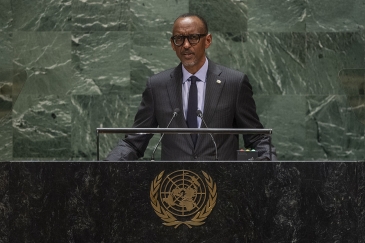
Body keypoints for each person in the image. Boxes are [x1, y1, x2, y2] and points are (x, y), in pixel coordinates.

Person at [105, 13, 277, 161]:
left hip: (223, 187)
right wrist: (103, 167)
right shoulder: (157, 86)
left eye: (193, 37)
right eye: (179, 39)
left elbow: (257, 137)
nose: (186, 45)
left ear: (207, 40)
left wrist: (271, 166)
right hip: (174, 188)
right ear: (173, 44)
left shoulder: (234, 83)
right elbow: (135, 141)